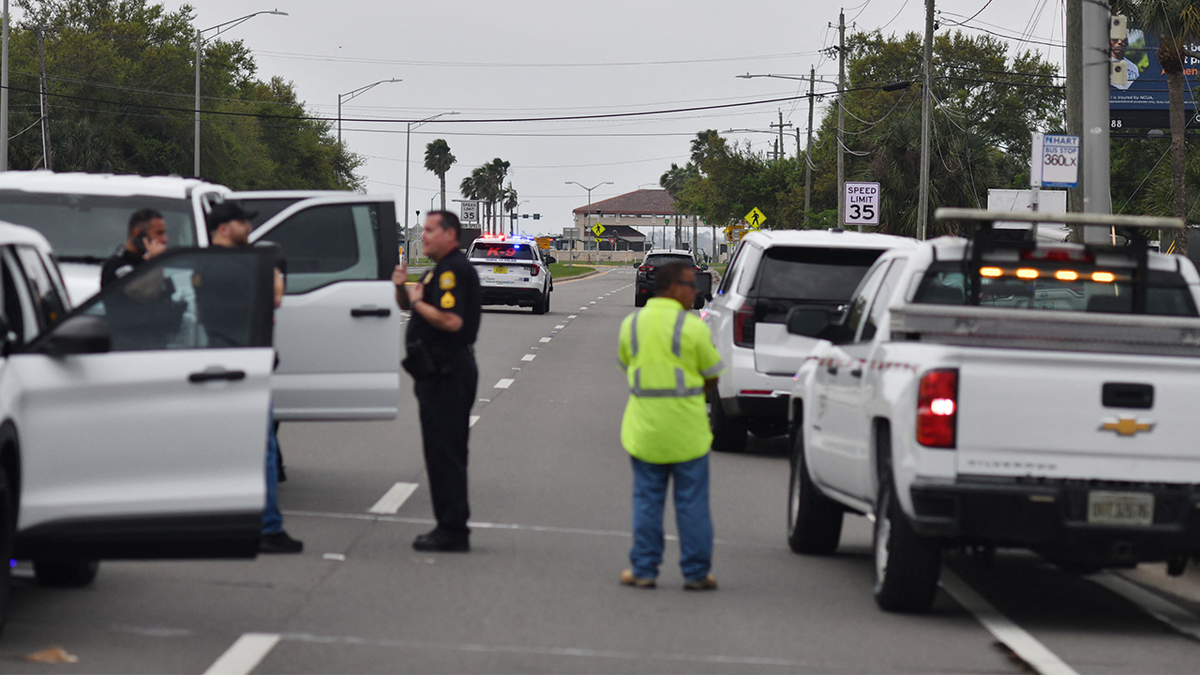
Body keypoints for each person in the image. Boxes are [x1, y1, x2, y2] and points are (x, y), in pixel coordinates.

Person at [617, 261, 724, 590]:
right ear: (675, 288)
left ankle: (644, 570)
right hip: (687, 433)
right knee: (692, 505)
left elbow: (626, 363)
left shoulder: (632, 325)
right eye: (692, 285)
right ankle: (696, 573)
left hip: (645, 431)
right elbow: (712, 374)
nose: (696, 291)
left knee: (647, 501)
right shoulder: (694, 328)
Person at [203, 202, 302, 554]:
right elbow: (275, 298)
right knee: (263, 448)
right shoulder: (243, 265)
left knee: (222, 449)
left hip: (212, 364)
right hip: (244, 366)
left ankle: (220, 521)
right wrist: (274, 272)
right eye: (242, 223)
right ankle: (269, 527)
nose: (248, 229)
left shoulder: (201, 264)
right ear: (224, 228)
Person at [392, 210, 481, 552]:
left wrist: (416, 302)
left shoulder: (452, 272)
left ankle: (452, 529)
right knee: (439, 451)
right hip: (435, 373)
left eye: (430, 230)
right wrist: (402, 290)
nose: (423, 236)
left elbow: (451, 321)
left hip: (449, 372)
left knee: (446, 453)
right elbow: (412, 306)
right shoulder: (436, 271)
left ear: (450, 235)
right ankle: (449, 524)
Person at [101, 208, 168, 288]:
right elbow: (143, 292)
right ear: (138, 233)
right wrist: (155, 262)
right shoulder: (117, 266)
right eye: (159, 233)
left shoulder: (143, 263)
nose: (165, 239)